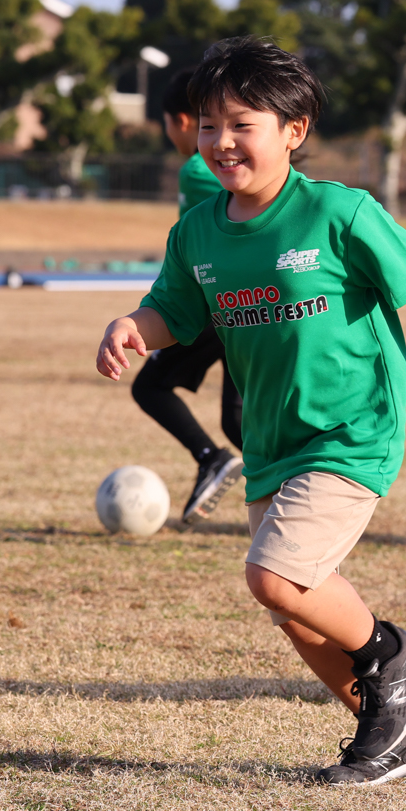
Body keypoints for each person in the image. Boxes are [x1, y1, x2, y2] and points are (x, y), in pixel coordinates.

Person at [95, 38, 406, 785]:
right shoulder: (197, 232)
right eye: (210, 126)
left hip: (351, 431)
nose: (221, 142)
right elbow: (172, 314)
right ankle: (392, 737)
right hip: (271, 439)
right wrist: (132, 327)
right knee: (293, 609)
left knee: (273, 578)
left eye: (242, 125)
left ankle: (390, 652)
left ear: (294, 130)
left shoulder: (339, 213)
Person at [129, 70, 245, 523]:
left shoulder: (199, 169)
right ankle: (297, 481)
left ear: (180, 121)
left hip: (210, 307)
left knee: (149, 386)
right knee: (237, 421)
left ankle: (211, 458)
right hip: (242, 304)